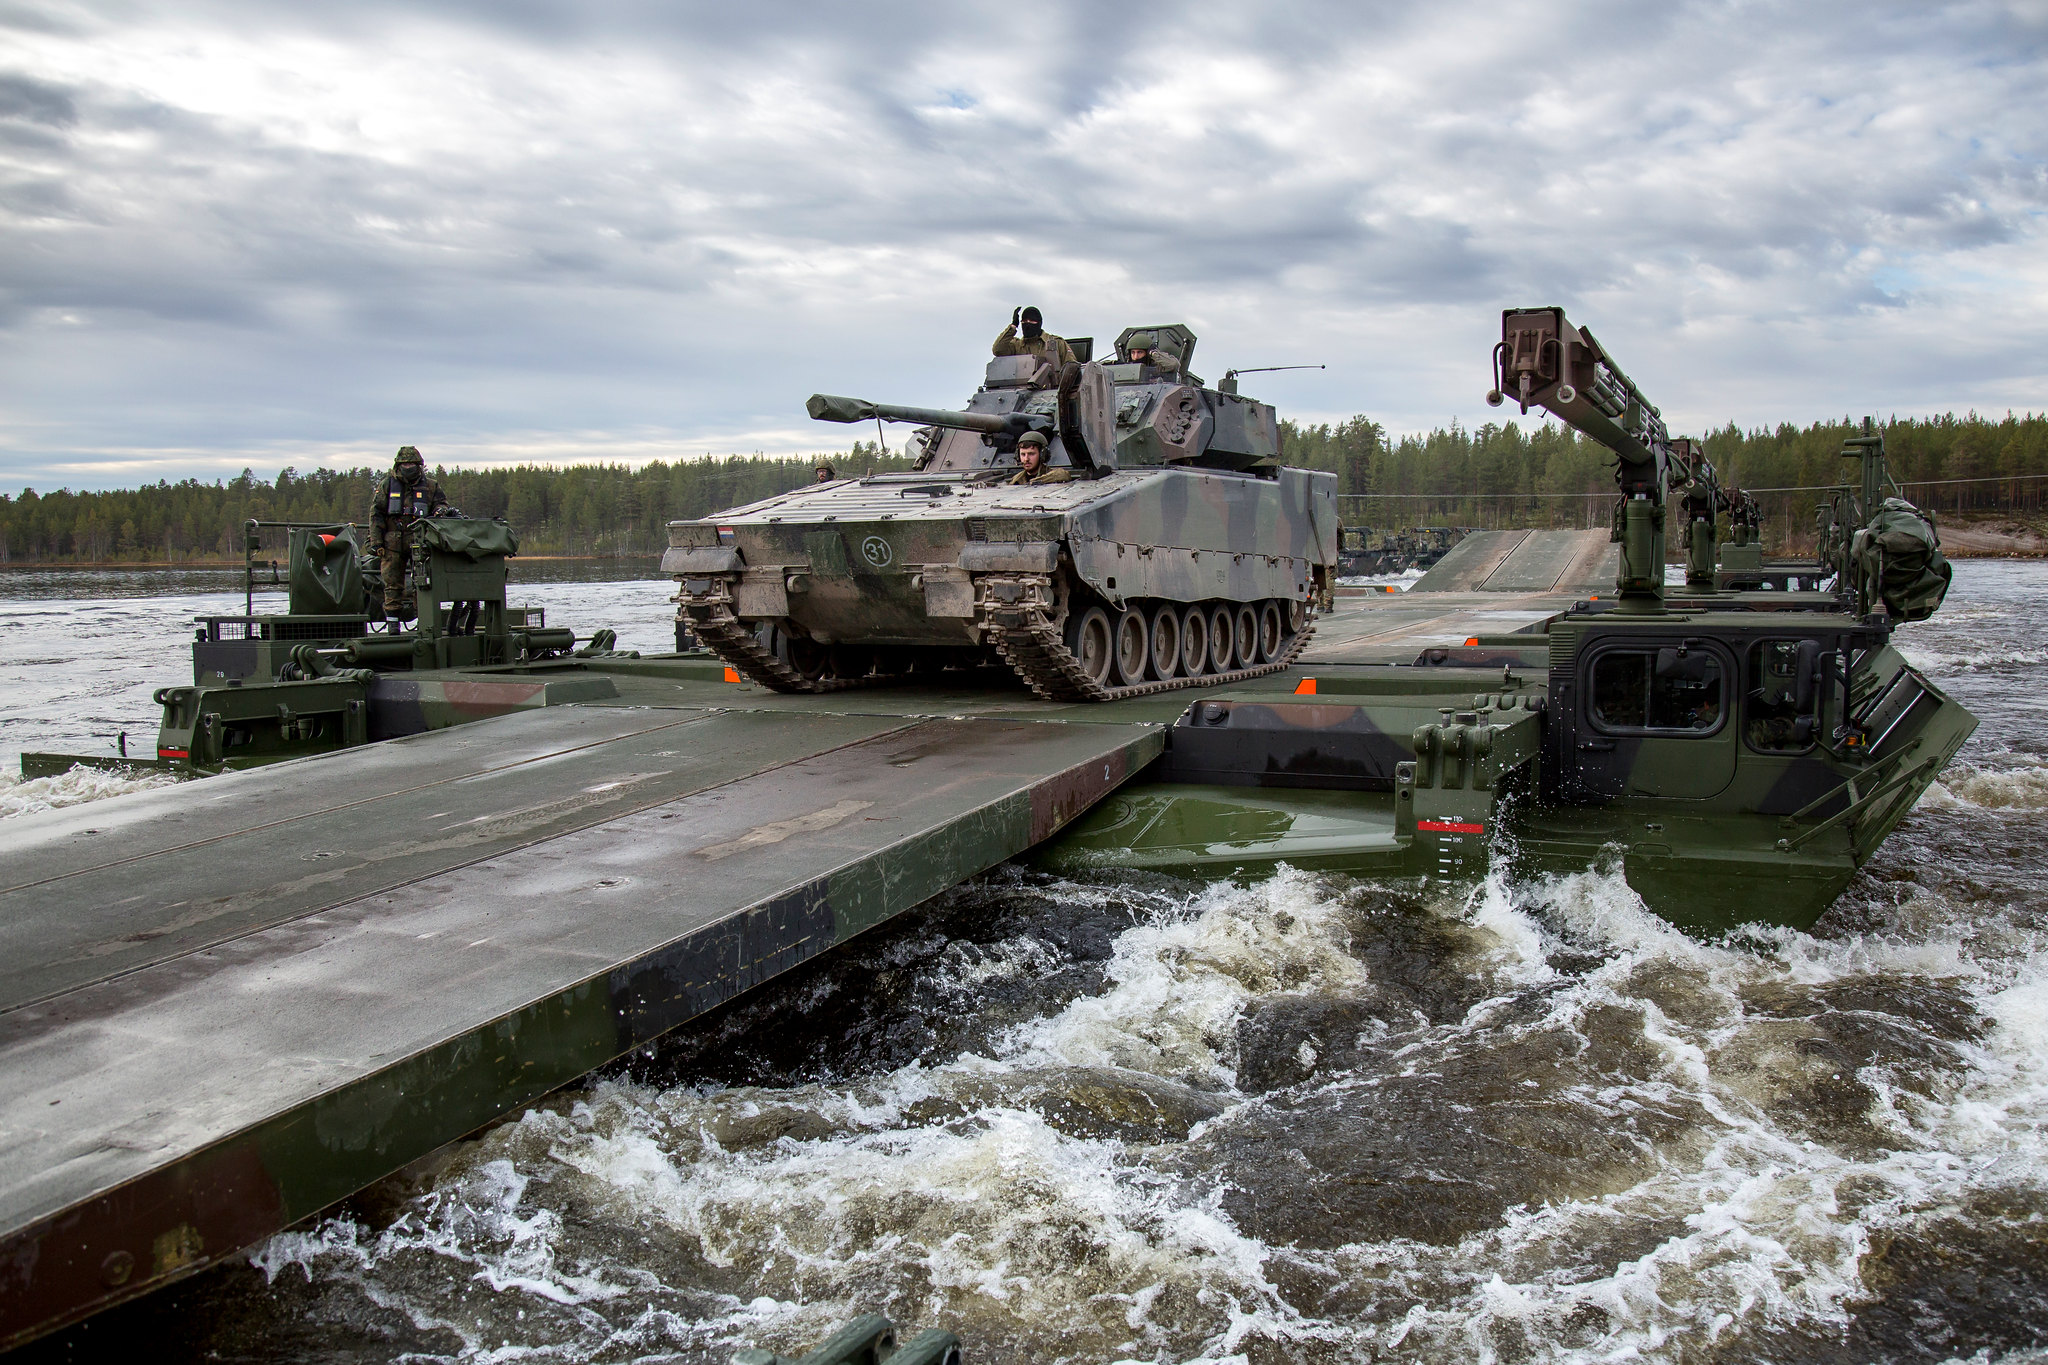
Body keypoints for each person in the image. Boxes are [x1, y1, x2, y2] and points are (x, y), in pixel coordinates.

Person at [368, 445, 449, 622]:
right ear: (398, 466)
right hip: (392, 543)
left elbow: (441, 504)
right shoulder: (387, 485)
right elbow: (376, 514)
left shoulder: (430, 486)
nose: (408, 468)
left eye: (412, 465)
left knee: (423, 582)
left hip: (421, 542)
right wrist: (376, 543)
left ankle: (424, 622)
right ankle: (393, 626)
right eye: (405, 465)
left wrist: (439, 512)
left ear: (419, 466)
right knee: (392, 584)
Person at [992, 306, 1078, 369]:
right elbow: (997, 350)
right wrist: (1013, 327)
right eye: (1024, 321)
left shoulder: (1056, 343)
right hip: (1021, 390)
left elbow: (1071, 367)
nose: (1027, 324)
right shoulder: (1016, 346)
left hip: (1052, 391)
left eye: (1032, 321)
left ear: (1039, 323)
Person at [1007, 431, 1072, 485]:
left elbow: (1063, 475)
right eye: (1023, 454)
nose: (1026, 459)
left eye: (1031, 454)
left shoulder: (1054, 475)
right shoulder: (1017, 479)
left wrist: (1036, 481)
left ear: (1042, 455)